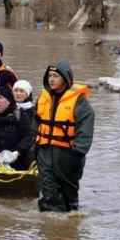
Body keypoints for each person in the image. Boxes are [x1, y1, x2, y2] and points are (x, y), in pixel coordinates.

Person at [34, 60, 95, 213]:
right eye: (49, 76)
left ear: (65, 78)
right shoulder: (43, 98)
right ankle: (52, 226)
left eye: (55, 76)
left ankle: (68, 224)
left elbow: (85, 129)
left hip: (68, 154)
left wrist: (79, 152)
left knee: (70, 196)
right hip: (45, 152)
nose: (51, 79)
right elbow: (34, 122)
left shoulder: (79, 102)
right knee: (48, 189)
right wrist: (33, 144)